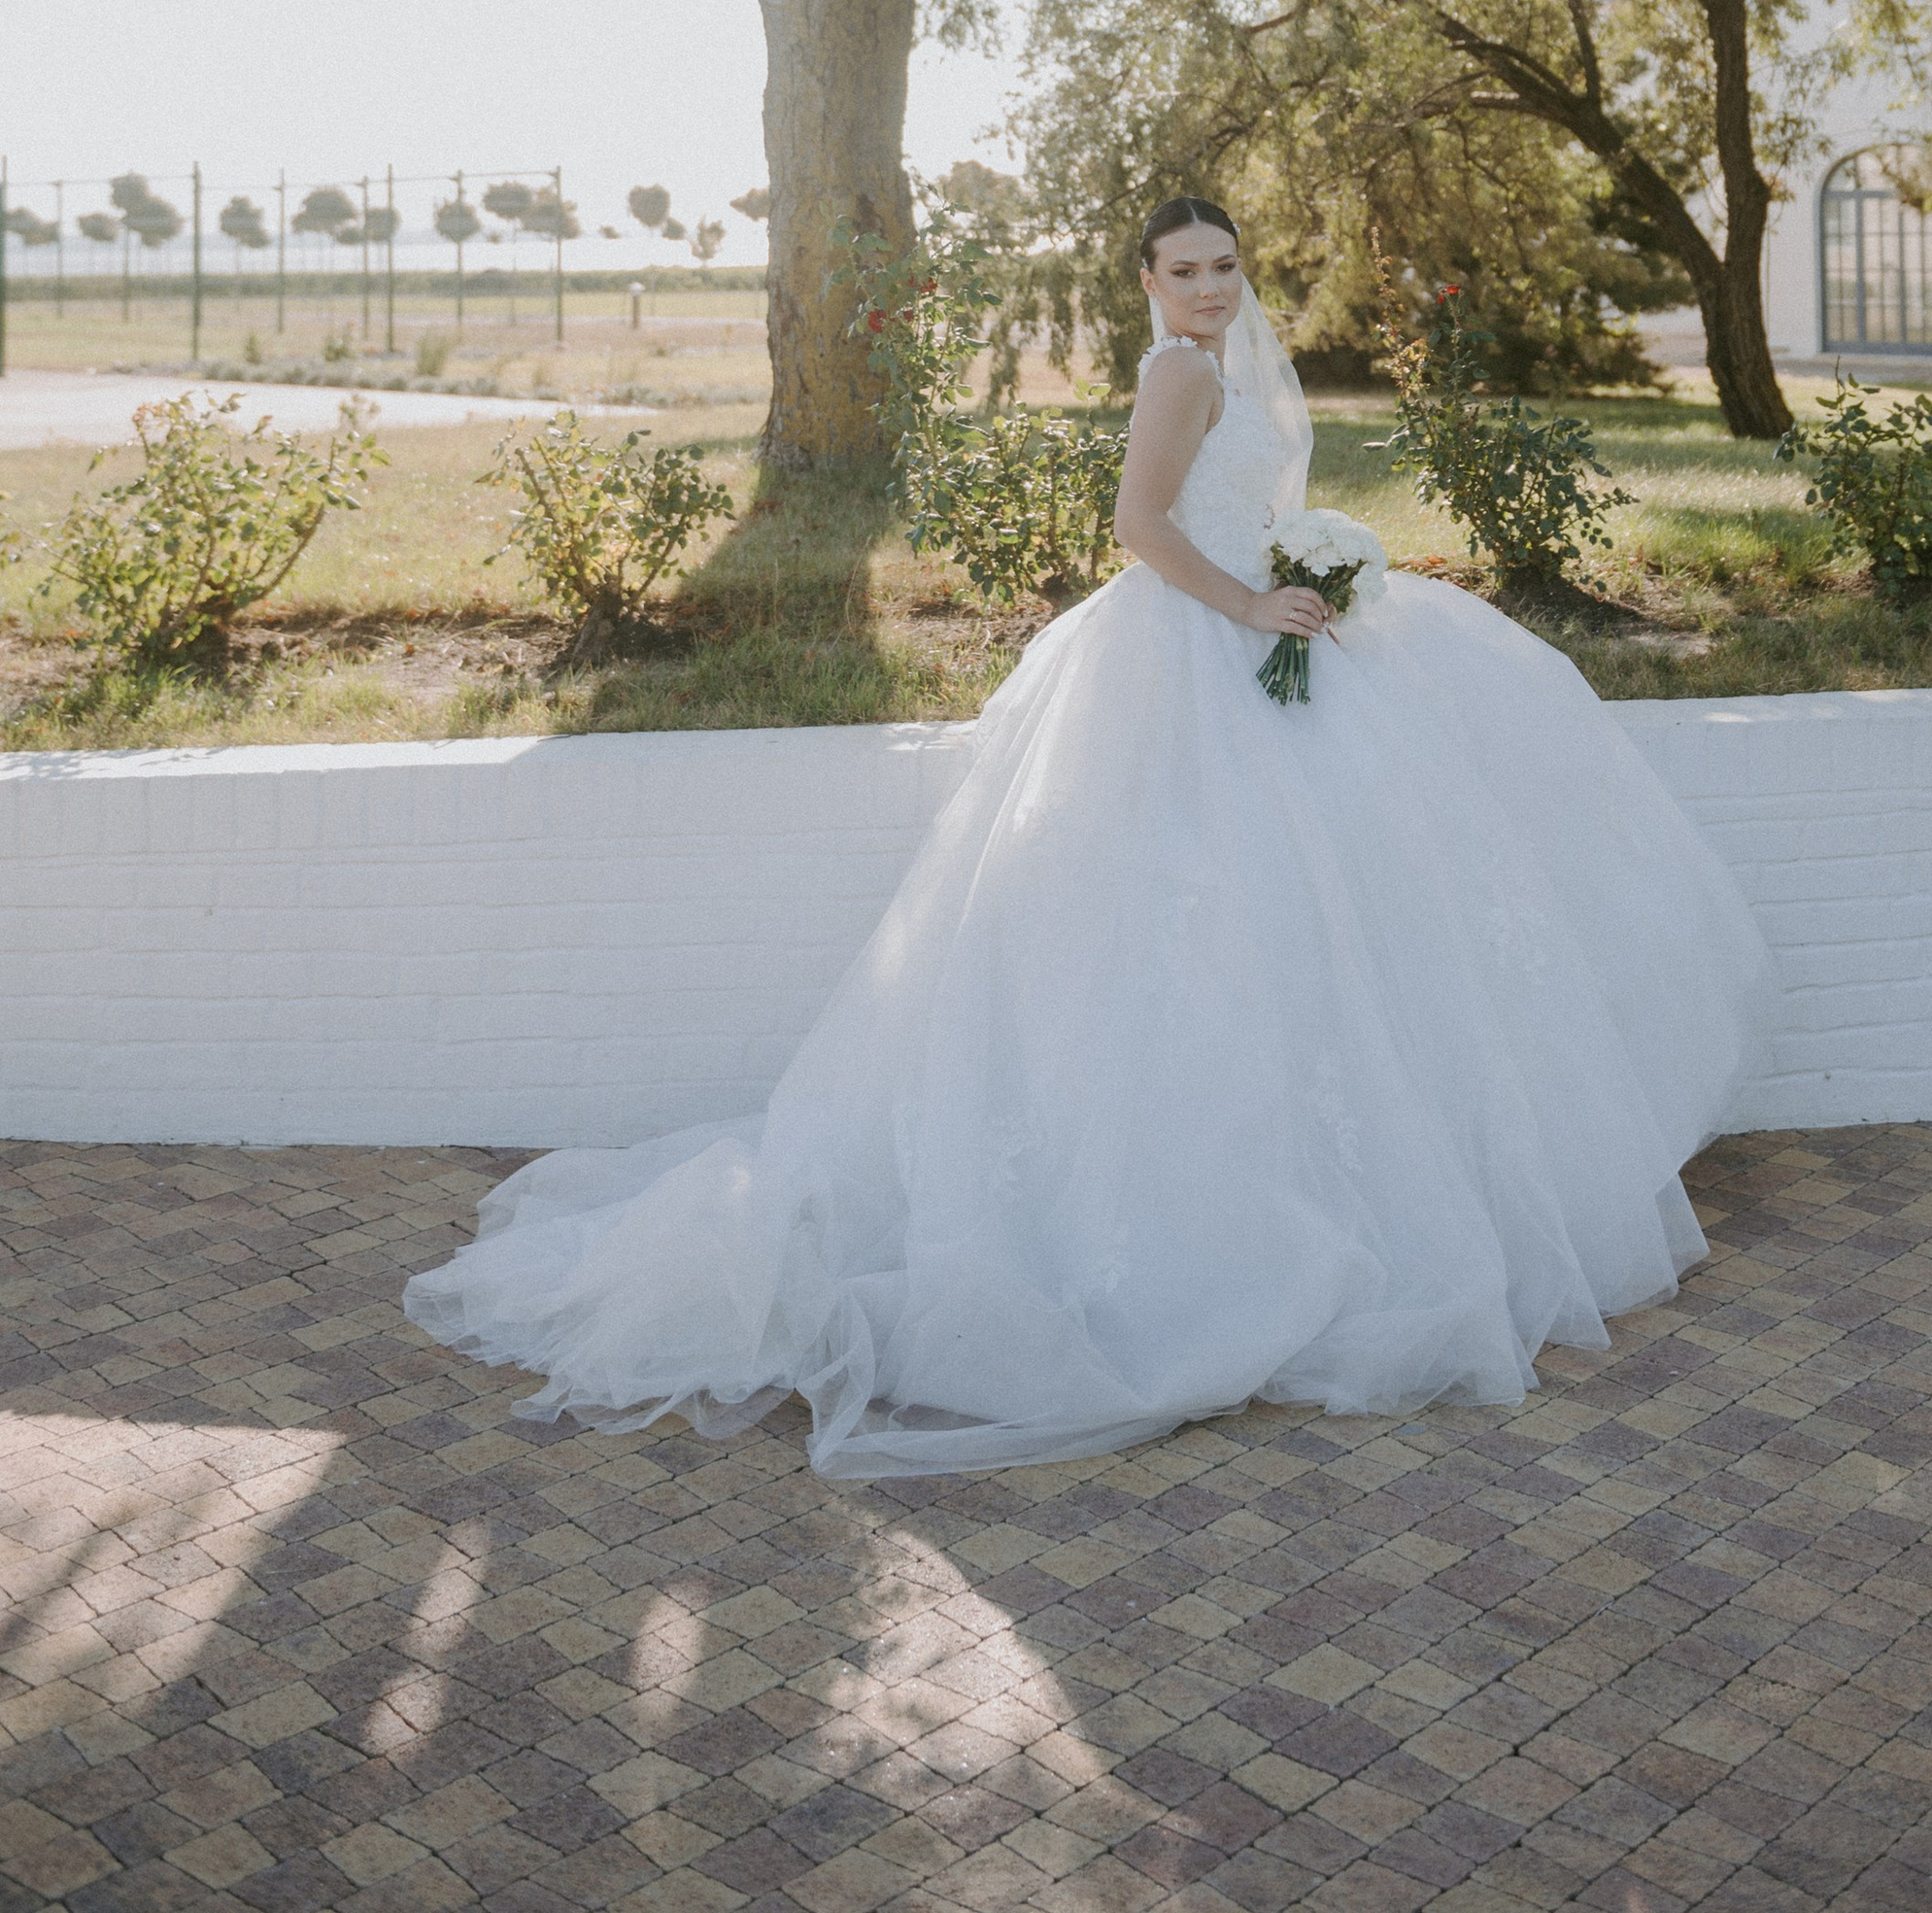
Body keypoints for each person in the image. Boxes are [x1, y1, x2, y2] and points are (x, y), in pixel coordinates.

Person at [406, 200, 1779, 1478]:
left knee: (1303, 934)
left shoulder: (1218, 362)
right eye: (1185, 271)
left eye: (1226, 268)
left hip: (1258, 633)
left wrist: (1305, 574)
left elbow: (1224, 506)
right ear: (1147, 283)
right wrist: (1252, 607)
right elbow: (1137, 528)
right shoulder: (1180, 371)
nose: (1210, 288)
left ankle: (1312, 1204)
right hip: (1195, 651)